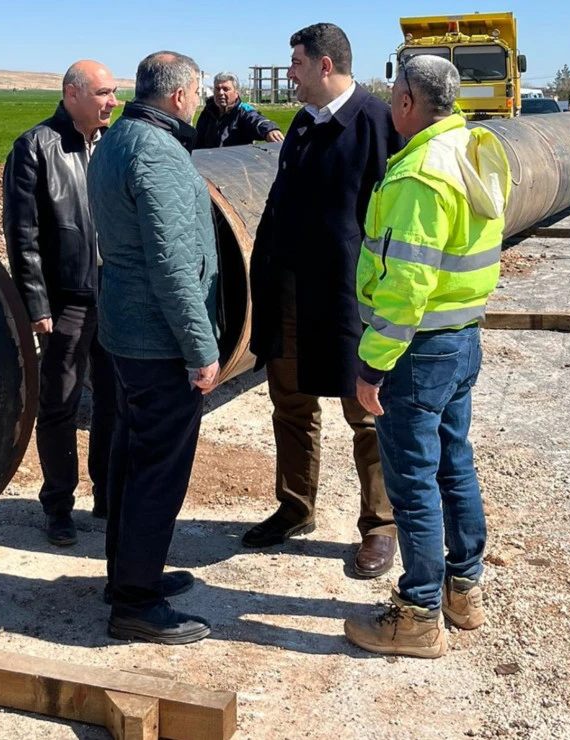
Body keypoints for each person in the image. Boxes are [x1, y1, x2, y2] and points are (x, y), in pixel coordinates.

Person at [343, 54, 510, 659]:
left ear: (409, 103)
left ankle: (416, 615)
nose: (390, 104)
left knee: (411, 483)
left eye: (394, 95)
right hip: (461, 336)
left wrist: (374, 364)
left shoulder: (419, 174)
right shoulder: (470, 148)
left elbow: (406, 282)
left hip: (417, 350)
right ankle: (463, 590)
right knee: (453, 465)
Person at [244, 23, 403, 579]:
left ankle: (381, 525)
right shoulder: (304, 126)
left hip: (347, 303)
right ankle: (295, 505)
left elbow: (388, 227)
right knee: (289, 405)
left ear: (325, 66)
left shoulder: (375, 124)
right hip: (290, 297)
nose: (290, 74)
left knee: (368, 415)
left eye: (296, 64)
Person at [87, 51, 219, 645]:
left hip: (124, 328)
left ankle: (129, 578)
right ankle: (136, 603)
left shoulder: (117, 139)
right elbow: (171, 265)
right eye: (194, 90)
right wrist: (200, 347)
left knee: (130, 455)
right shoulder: (158, 152)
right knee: (158, 471)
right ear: (179, 94)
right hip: (158, 340)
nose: (195, 99)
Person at [2, 61, 120, 547]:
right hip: (65, 301)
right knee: (59, 406)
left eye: (114, 94)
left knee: (115, 400)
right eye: (104, 93)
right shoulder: (36, 147)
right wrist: (36, 303)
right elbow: (22, 233)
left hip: (113, 297)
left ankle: (109, 495)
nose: (112, 102)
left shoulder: (113, 145)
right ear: (73, 94)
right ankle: (58, 506)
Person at [193, 72, 284, 149]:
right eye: (217, 89)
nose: (220, 93)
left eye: (226, 89)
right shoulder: (208, 111)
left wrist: (269, 129)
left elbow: (256, 119)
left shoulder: (242, 111)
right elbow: (197, 140)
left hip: (235, 166)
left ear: (236, 93)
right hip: (207, 164)